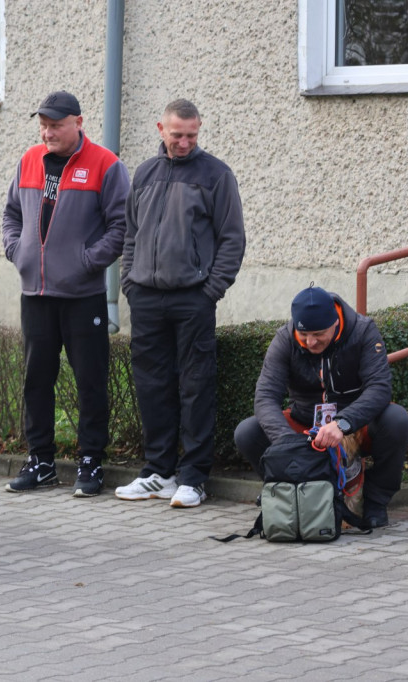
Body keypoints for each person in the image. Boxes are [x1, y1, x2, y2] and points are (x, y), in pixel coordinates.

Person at [116, 98, 246, 508]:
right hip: (147, 298)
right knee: (152, 388)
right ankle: (158, 473)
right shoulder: (145, 173)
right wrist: (130, 283)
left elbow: (232, 239)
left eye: (192, 134)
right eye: (177, 135)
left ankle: (193, 478)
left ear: (199, 129)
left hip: (194, 298)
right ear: (161, 129)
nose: (185, 142)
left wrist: (211, 290)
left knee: (195, 387)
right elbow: (131, 234)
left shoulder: (217, 175)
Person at [1, 90, 129, 498]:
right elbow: (11, 215)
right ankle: (40, 461)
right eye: (43, 124)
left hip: (82, 294)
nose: (47, 131)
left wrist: (87, 262)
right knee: (36, 379)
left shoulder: (106, 164)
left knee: (90, 380)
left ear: (78, 122)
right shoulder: (28, 161)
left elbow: (120, 226)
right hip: (34, 291)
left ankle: (91, 460)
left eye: (56, 124)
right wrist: (15, 250)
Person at [234, 286, 408, 528]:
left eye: (318, 334)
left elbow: (379, 388)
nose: (310, 341)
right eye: (304, 334)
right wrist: (288, 442)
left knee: (397, 420)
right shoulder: (284, 339)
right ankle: (286, 489)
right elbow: (265, 396)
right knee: (247, 432)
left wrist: (343, 424)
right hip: (305, 422)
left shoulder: (363, 331)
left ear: (335, 323)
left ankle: (375, 501)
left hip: (354, 424)